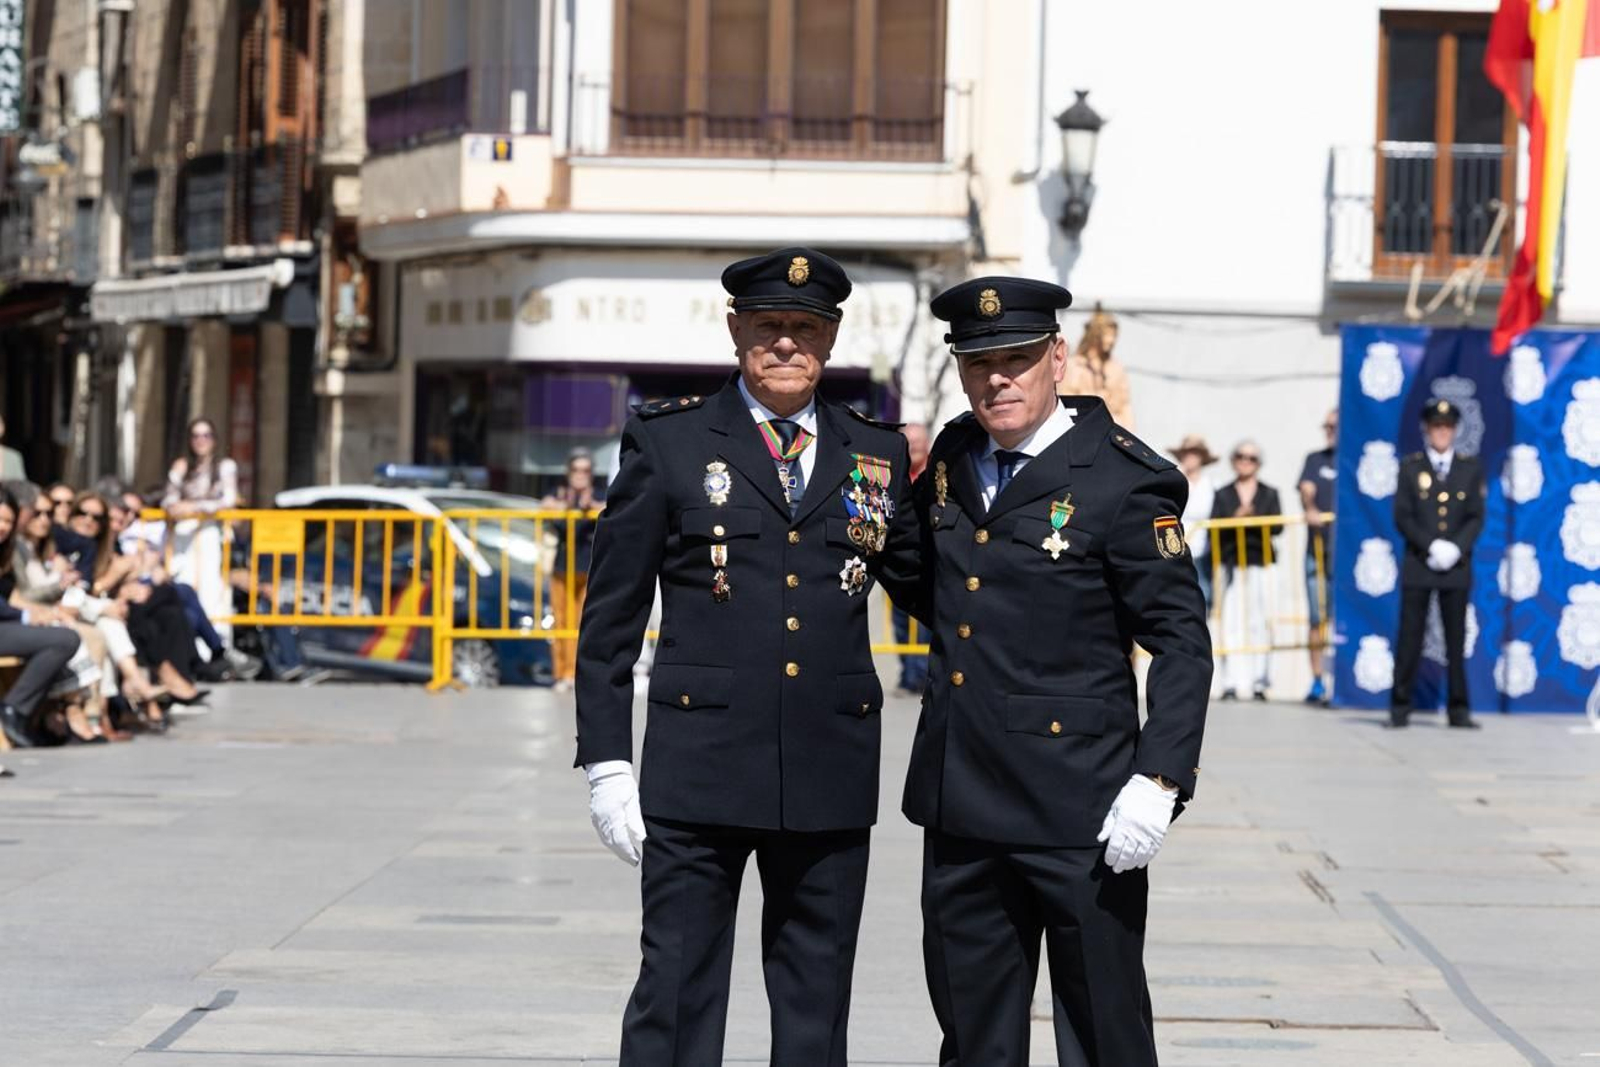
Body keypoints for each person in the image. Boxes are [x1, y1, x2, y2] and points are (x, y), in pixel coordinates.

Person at [573, 247, 920, 1066]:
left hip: (828, 772)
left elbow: (936, 590)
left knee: (814, 1008)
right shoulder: (670, 441)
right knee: (677, 998)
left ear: (831, 338)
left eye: (804, 328)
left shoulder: (877, 454)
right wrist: (607, 761)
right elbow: (610, 619)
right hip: (698, 771)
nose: (787, 344)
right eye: (769, 327)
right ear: (735, 332)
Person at [909, 276, 1211, 1067]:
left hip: (1081, 810)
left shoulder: (1121, 477)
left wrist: (1160, 777)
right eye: (978, 364)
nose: (996, 379)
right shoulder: (952, 457)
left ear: (1058, 357)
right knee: (974, 1038)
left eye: (1014, 359)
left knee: (1102, 1031)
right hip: (965, 803)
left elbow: (1181, 639)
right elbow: (929, 585)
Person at [1390, 399, 1484, 729]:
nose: (1441, 432)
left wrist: (1455, 548)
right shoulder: (1411, 467)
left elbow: (1475, 516)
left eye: (1446, 427)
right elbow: (1402, 515)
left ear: (1455, 430)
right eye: (1436, 426)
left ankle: (1458, 710)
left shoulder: (1469, 468)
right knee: (1410, 638)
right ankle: (1400, 708)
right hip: (1420, 562)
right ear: (1427, 430)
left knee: (1455, 641)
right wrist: (1430, 545)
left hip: (1455, 567)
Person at [0, 488, 83, 750]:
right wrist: (25, 615)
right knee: (63, 639)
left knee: (65, 636)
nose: (3, 527)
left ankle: (19, 709)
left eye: (8, 521)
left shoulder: (7, 552)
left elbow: (8, 597)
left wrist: (38, 613)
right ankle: (15, 709)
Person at [1211, 442, 1282, 701]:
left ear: (1258, 463)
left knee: (1260, 622)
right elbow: (1214, 525)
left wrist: (1251, 517)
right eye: (1240, 456)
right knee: (1230, 622)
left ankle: (1260, 682)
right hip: (1231, 562)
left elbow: (1278, 526)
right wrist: (1235, 518)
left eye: (1251, 458)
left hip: (1260, 562)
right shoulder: (1223, 493)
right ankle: (1230, 682)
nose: (1245, 461)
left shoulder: (1269, 493)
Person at [161, 417, 238, 641]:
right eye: (195, 435)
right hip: (183, 535)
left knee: (211, 587)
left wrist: (193, 507)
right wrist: (175, 477)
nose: (200, 441)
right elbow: (168, 500)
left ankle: (214, 643)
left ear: (214, 439)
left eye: (206, 435)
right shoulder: (183, 466)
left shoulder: (224, 466)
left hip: (209, 532)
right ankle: (188, 643)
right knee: (183, 583)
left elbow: (228, 500)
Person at [543, 448, 603, 694]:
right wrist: (566, 505)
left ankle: (578, 673)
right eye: (576, 470)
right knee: (562, 623)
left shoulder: (597, 496)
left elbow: (609, 509)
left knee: (583, 624)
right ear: (568, 473)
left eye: (585, 471)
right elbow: (544, 508)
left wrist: (590, 506)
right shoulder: (559, 495)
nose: (580, 475)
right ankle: (562, 673)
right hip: (562, 568)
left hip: (587, 568)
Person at [1298, 408, 1339, 705]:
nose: (1329, 431)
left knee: (1343, 620)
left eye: (1334, 426)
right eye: (1326, 426)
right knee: (1317, 617)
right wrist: (1309, 507)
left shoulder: (1352, 459)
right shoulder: (1316, 459)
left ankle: (1341, 681)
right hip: (1318, 550)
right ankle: (1316, 681)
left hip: (1346, 553)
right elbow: (1306, 488)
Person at [892, 421, 932, 695]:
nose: (914, 447)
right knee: (901, 626)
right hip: (898, 563)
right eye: (909, 443)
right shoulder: (896, 472)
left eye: (918, 442)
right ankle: (909, 673)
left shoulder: (936, 472)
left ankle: (919, 677)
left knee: (923, 627)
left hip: (928, 564)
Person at [1057, 303, 1135, 427]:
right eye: (1107, 335)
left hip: (1113, 432)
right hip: (1082, 430)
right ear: (1096, 334)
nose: (1111, 340)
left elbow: (1125, 406)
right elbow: (1066, 403)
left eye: (1114, 335)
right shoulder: (1075, 366)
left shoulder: (1116, 368)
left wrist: (1128, 434)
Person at [1171, 434, 1219, 607]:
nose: (1190, 457)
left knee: (1205, 593)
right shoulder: (1174, 481)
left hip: (1204, 549)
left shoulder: (1213, 485)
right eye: (1186, 453)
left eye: (1194, 453)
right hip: (1178, 547)